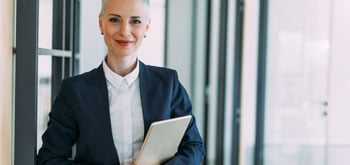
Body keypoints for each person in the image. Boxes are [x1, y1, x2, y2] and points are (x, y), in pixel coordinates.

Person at [37, 0, 205, 164]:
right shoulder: (74, 91)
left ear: (146, 26)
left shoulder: (168, 84)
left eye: (136, 21)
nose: (125, 31)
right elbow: (50, 158)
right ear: (101, 23)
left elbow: (194, 146)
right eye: (114, 20)